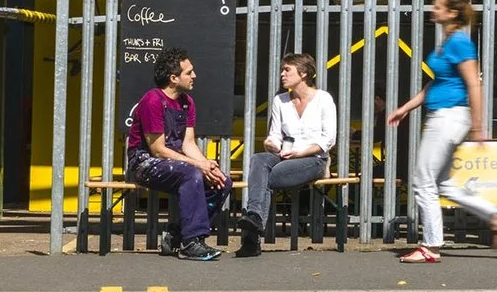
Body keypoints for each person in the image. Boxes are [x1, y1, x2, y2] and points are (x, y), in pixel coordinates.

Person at [384, 0, 497, 261]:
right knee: (442, 184)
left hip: (448, 117)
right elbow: (436, 83)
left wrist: (479, 127)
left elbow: (473, 85)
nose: (433, 9)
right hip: (444, 117)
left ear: (452, 13)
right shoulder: (448, 41)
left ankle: (430, 247)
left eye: (438, 6)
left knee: (422, 181)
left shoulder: (460, 42)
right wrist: (405, 108)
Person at [123, 48, 252, 260]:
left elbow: (188, 143)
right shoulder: (153, 100)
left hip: (175, 163)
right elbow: (157, 149)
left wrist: (207, 165)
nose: (194, 76)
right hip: (145, 163)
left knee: (222, 181)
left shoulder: (187, 102)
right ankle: (191, 242)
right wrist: (197, 166)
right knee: (190, 173)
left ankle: (177, 236)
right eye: (189, 72)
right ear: (173, 78)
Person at [240, 51, 339, 251]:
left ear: (303, 73)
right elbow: (275, 134)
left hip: (313, 159)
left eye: (287, 70)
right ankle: (255, 217)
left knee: (265, 176)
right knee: (259, 159)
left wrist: (299, 153)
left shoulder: (323, 99)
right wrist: (271, 144)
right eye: (282, 70)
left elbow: (328, 140)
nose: (282, 75)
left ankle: (251, 239)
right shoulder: (280, 101)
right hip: (284, 156)